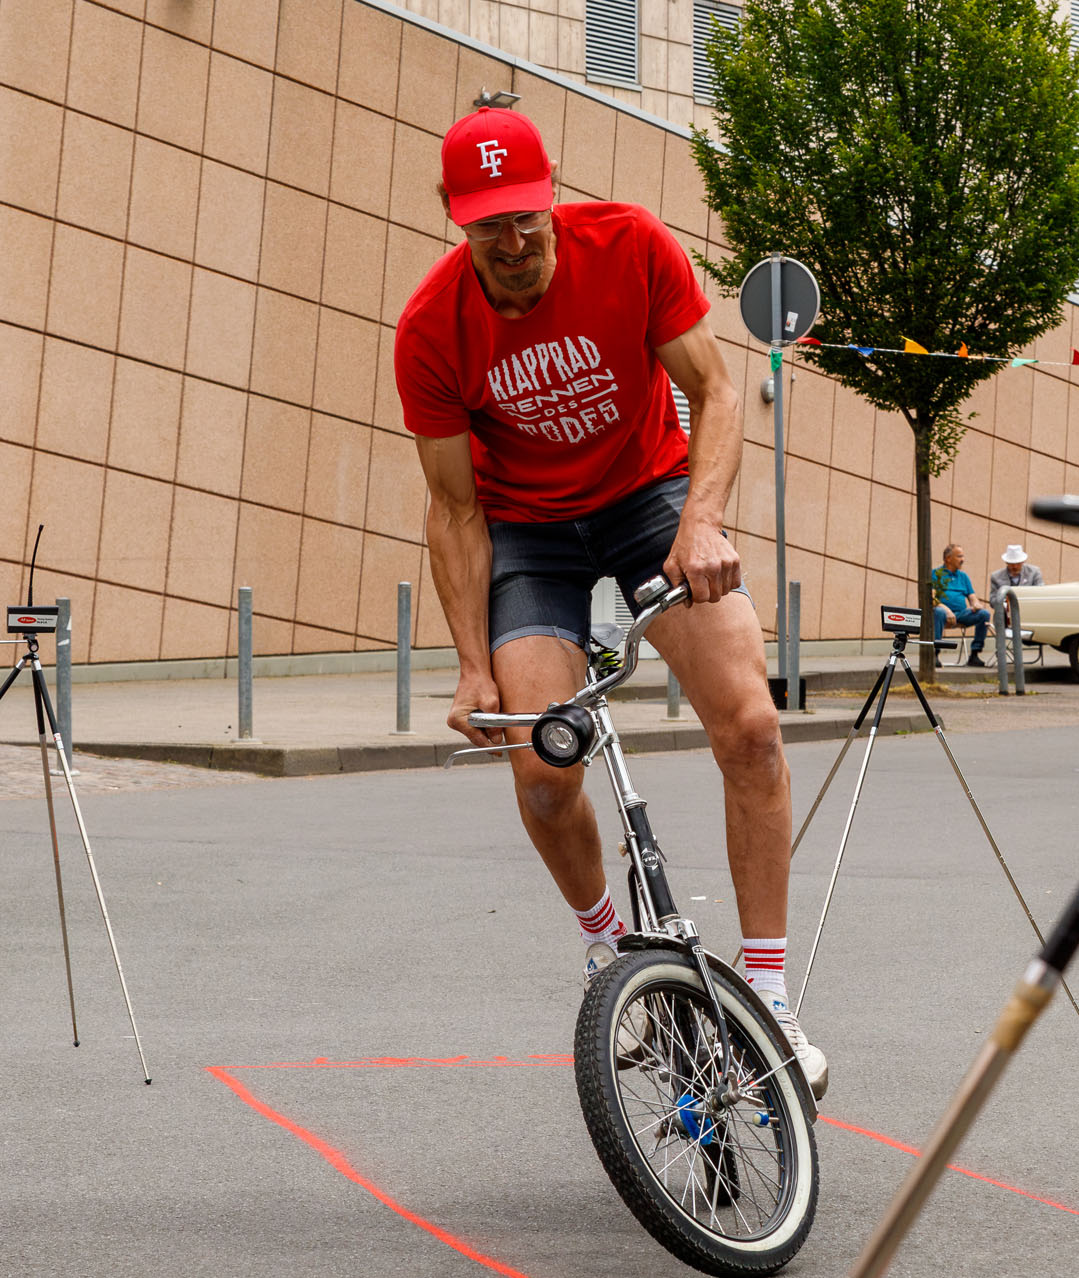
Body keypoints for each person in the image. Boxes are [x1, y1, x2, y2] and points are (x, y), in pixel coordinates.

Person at [392, 107, 826, 1096]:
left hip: (650, 502)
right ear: (456, 220)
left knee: (752, 727)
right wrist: (468, 665)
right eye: (488, 226)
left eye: (526, 220)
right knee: (542, 766)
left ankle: (768, 998)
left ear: (552, 199)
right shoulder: (430, 329)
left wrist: (703, 522)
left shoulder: (629, 245)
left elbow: (714, 392)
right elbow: (454, 511)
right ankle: (606, 949)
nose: (512, 244)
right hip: (531, 536)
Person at [931, 543, 990, 667]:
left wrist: (976, 605)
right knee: (938, 612)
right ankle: (934, 654)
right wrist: (947, 610)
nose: (962, 560)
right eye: (959, 556)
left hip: (961, 615)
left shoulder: (963, 576)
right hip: (942, 614)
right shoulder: (936, 574)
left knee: (984, 614)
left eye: (962, 556)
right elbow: (932, 599)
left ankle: (975, 654)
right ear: (948, 558)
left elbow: (972, 597)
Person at [989, 543, 1044, 613]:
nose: (1015, 566)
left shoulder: (1034, 572)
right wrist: (1004, 601)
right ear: (1006, 562)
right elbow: (992, 601)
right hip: (1005, 616)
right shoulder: (996, 577)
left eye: (1018, 563)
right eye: (1012, 563)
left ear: (1023, 561)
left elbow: (1040, 593)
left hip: (1029, 612)